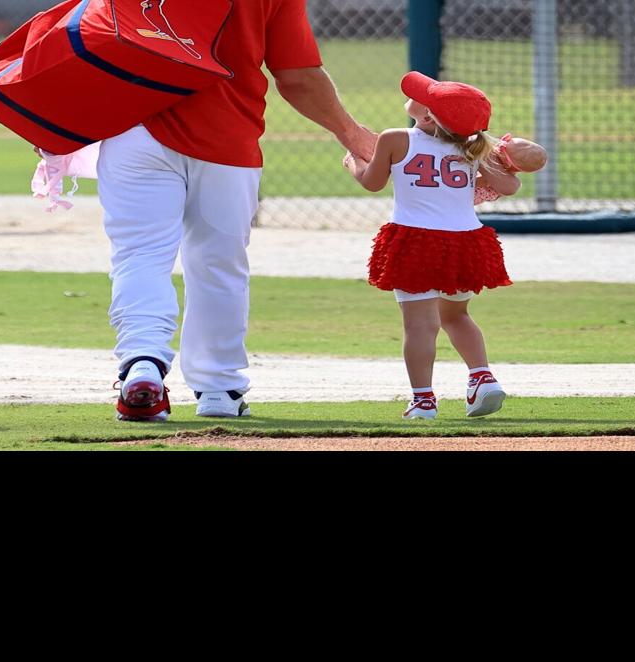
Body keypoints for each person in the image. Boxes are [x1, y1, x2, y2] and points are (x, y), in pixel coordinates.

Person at [99, 0, 376, 422]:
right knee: (219, 264)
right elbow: (298, 77)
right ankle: (219, 388)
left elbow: (83, 39)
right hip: (225, 138)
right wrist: (352, 134)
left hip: (133, 133)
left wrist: (55, 121)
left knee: (139, 256)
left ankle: (143, 365)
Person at [343, 72, 520, 419]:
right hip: (466, 240)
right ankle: (482, 377)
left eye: (422, 97)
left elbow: (372, 182)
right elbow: (510, 186)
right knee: (457, 315)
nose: (413, 97)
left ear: (426, 116)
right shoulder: (470, 146)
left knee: (420, 326)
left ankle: (423, 401)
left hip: (416, 240)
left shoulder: (395, 138)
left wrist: (353, 161)